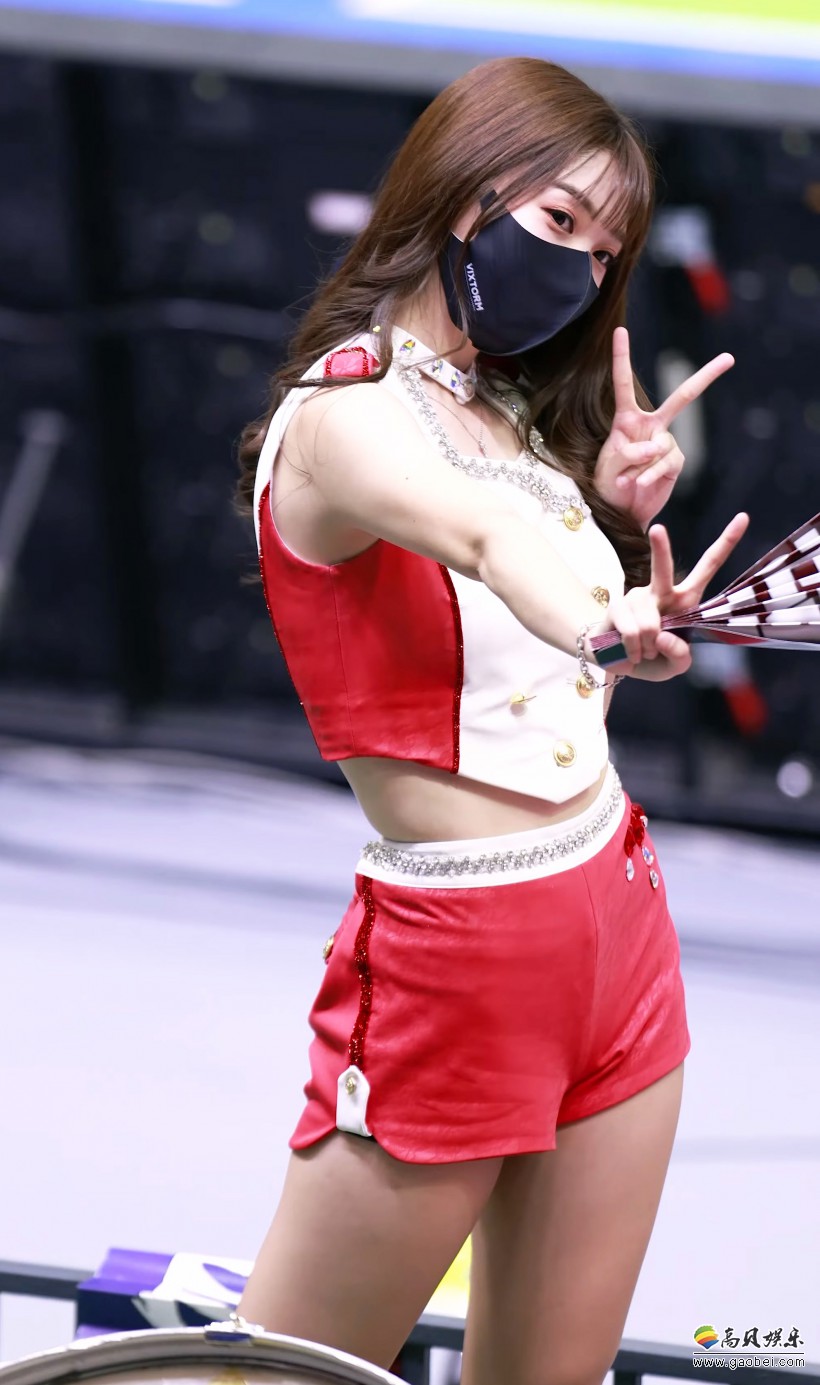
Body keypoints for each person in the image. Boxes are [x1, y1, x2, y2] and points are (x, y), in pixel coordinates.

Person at [234, 56, 747, 1384]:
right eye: (560, 220)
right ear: (463, 189)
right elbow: (478, 537)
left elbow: (530, 602)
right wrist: (602, 622)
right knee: (290, 1376)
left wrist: (614, 512)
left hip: (619, 917)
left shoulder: (509, 415)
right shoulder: (340, 414)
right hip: (456, 952)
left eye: (607, 250)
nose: (581, 267)